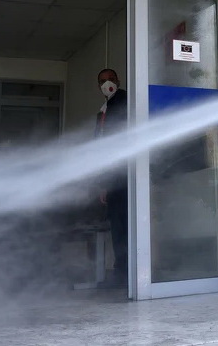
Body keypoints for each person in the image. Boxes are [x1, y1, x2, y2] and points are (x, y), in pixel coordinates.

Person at [95, 68, 128, 288]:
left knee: (124, 225)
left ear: (118, 81)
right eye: (102, 81)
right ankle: (122, 271)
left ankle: (125, 273)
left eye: (111, 79)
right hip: (113, 176)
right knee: (118, 226)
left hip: (124, 174)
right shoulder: (104, 109)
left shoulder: (122, 101)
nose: (107, 84)